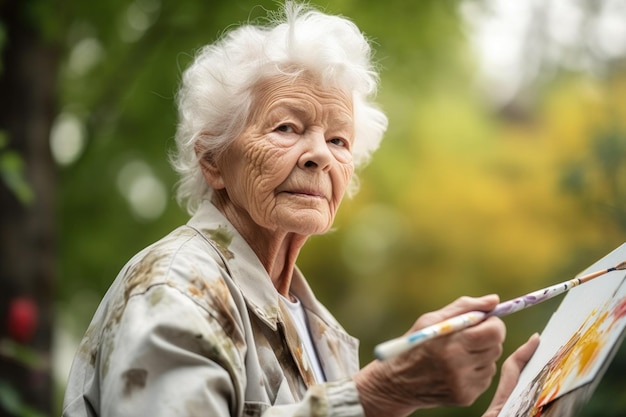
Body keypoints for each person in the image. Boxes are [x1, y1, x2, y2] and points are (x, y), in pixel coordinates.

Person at [62, 2, 539, 417]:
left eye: (338, 140)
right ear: (213, 161)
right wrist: (378, 394)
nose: (321, 155)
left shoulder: (318, 328)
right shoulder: (176, 288)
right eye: (288, 127)